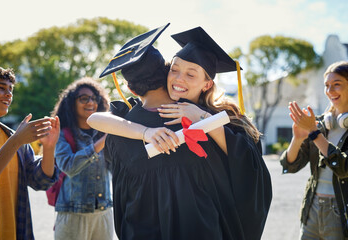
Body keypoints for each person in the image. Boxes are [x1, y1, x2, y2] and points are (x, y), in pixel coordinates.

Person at [88, 24, 272, 240]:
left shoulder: (121, 129)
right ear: (167, 70)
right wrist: (147, 131)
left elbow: (120, 193)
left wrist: (199, 118)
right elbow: (249, 174)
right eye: (175, 70)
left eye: (190, 74)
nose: (179, 78)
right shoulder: (216, 126)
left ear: (131, 89)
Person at [0, 66, 60, 240]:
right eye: (0, 87)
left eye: (10, 90)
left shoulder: (14, 139)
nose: (8, 94)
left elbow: (40, 181)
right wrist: (17, 140)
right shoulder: (16, 140)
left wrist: (49, 148)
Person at [280, 61, 348, 239]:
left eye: (337, 85)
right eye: (326, 86)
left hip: (341, 212)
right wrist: (297, 138)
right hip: (313, 207)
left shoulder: (315, 129)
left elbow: (344, 168)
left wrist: (314, 133)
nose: (330, 91)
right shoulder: (320, 123)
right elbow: (290, 164)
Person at [51, 77, 114, 240]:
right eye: (84, 98)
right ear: (72, 103)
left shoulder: (103, 133)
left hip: (104, 213)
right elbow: (68, 166)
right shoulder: (63, 134)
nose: (90, 102)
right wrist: (100, 144)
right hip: (73, 214)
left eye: (94, 98)